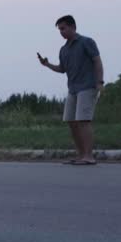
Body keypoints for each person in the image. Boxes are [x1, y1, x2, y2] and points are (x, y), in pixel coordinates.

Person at [38, 15, 104, 165]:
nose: (61, 32)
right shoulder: (64, 49)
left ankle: (89, 156)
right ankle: (81, 155)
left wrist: (100, 82)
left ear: (73, 27)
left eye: (63, 28)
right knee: (71, 121)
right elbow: (62, 69)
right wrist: (47, 64)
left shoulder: (87, 42)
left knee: (83, 121)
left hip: (87, 87)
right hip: (73, 89)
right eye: (59, 29)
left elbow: (97, 61)